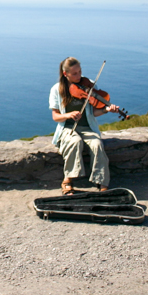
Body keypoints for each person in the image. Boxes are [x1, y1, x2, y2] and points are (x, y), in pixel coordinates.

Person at [49, 57, 124, 195]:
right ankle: (68, 180)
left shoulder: (88, 85)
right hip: (68, 128)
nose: (79, 76)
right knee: (75, 142)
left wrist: (106, 110)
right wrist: (68, 115)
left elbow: (93, 112)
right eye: (75, 73)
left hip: (87, 128)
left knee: (97, 144)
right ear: (66, 74)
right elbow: (55, 116)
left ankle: (101, 181)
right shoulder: (57, 89)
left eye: (80, 71)